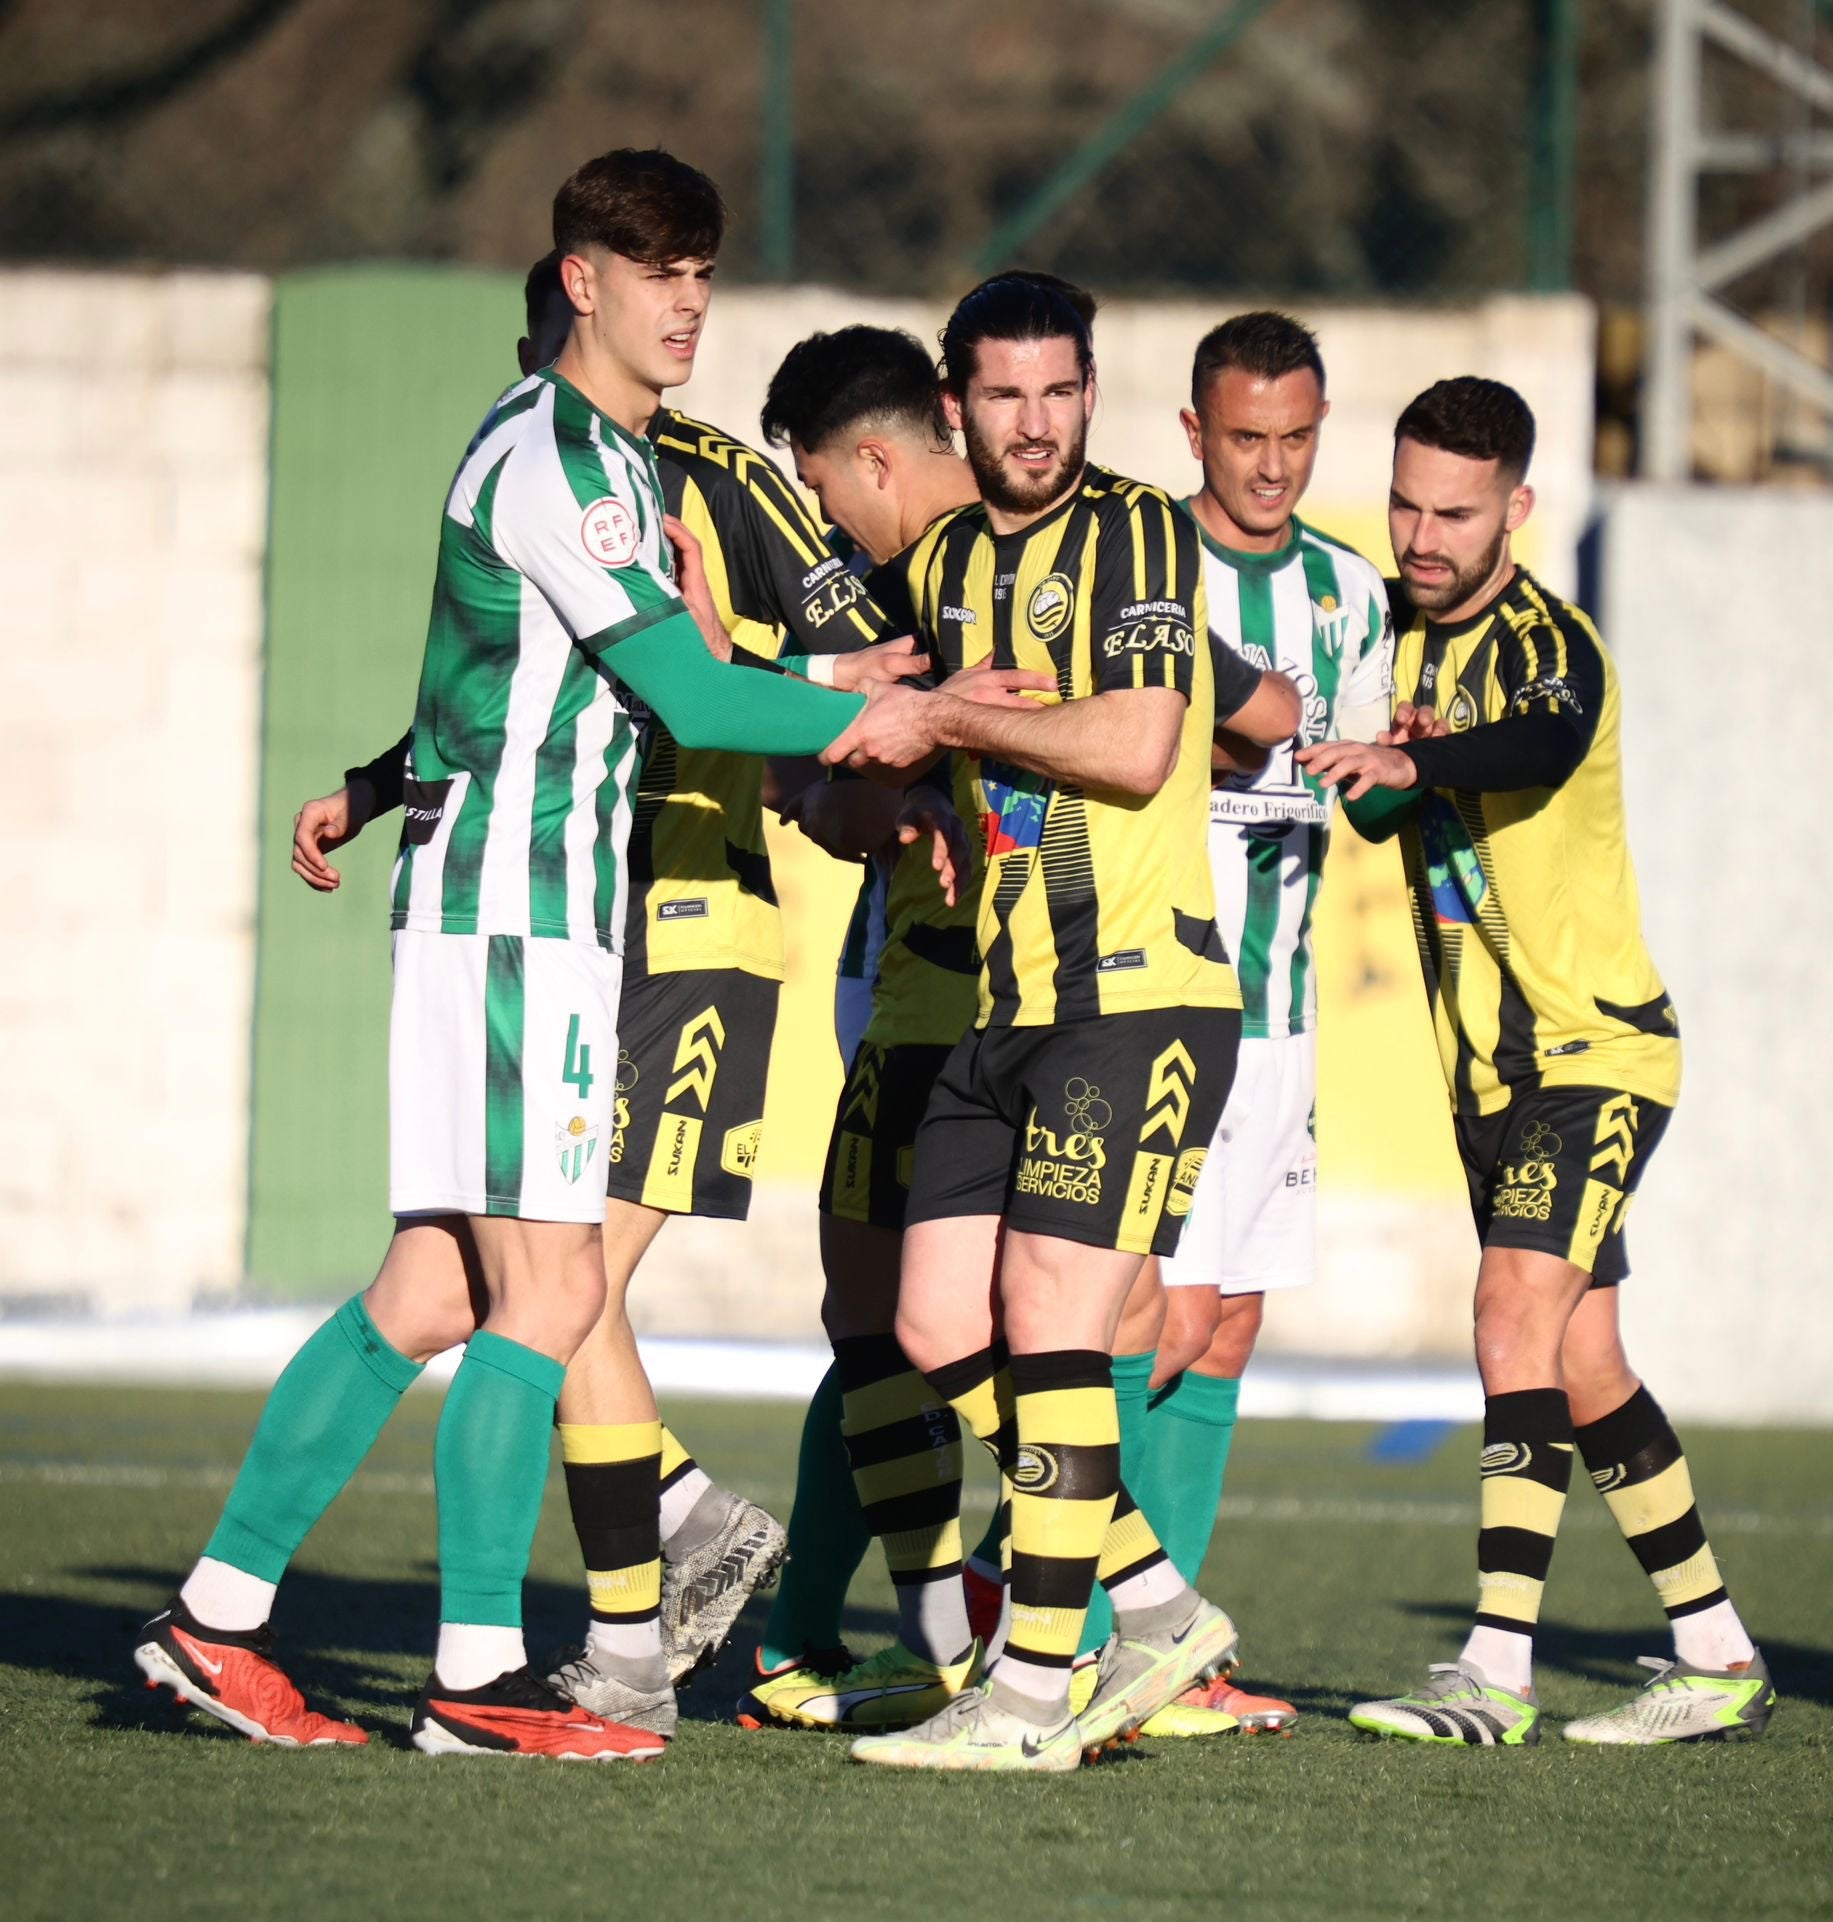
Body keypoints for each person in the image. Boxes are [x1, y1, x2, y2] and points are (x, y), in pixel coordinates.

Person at [133, 148, 876, 1761]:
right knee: (547, 1285)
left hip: (503, 909)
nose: (688, 300)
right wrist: (905, 707)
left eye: (704, 271)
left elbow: (491, 697)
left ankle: (218, 1617)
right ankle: (478, 1679)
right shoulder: (568, 461)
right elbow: (700, 701)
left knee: (432, 1289)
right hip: (519, 917)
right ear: (580, 282)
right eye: (655, 270)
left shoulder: (576, 454)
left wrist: (374, 784)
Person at [287, 242, 929, 1734]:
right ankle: (667, 1566)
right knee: (548, 1282)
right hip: (558, 911)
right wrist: (379, 782)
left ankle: (649, 1607)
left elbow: (856, 660)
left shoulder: (722, 480)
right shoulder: (553, 463)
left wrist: (776, 669)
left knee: (555, 1282)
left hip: (689, 921)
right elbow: (507, 690)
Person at [739, 313, 1297, 1742]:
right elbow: (871, 735)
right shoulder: (935, 563)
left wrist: (951, 729)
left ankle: (1034, 1685)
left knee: (1062, 1319)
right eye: (1005, 393)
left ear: (1094, 395)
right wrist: (845, 731)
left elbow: (1144, 742)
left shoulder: (1137, 538)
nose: (1036, 420)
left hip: (1133, 992)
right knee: (931, 1320)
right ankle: (1159, 1609)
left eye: (1060, 391)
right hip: (1005, 1003)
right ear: (957, 404)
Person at [1300, 375, 1774, 1746]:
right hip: (1490, 1076)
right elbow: (1387, 812)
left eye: (1455, 511)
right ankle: (1718, 1647)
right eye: (1405, 503)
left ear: (1516, 507)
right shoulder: (1390, 641)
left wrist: (1406, 752)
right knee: (1582, 1360)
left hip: (1596, 1052)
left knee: (1509, 1311)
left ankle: (1493, 1668)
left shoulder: (1552, 647)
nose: (1422, 535)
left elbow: (1542, 736)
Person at [1103, 309, 1394, 1736]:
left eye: (1295, 437)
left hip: (1277, 1007)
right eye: (1244, 438)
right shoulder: (1142, 557)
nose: (1272, 466)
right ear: (1192, 434)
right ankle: (1053, 1597)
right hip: (1162, 989)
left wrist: (1392, 771)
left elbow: (1362, 778)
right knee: (1156, 1310)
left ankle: (1161, 1652)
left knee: (1228, 1329)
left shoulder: (1350, 590)